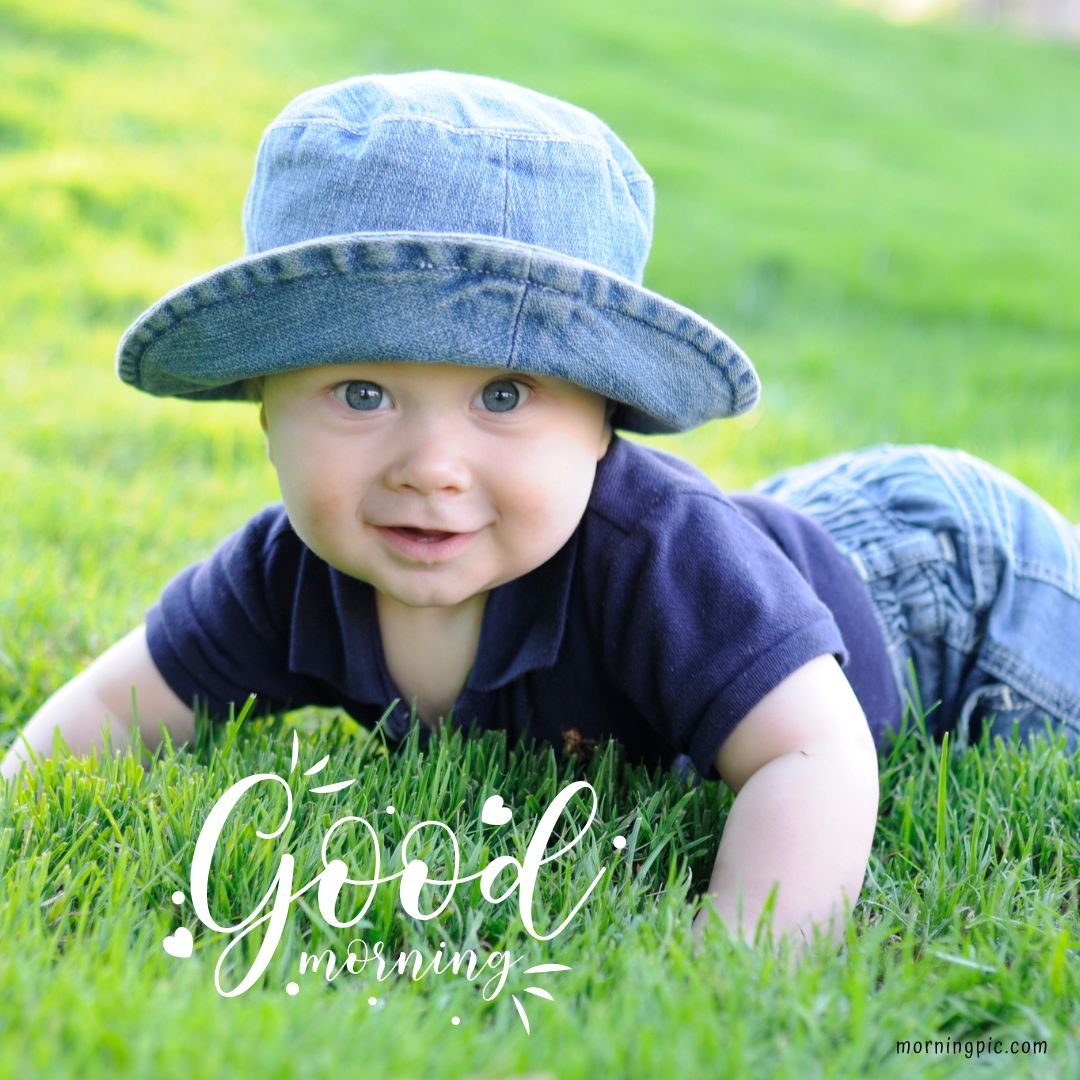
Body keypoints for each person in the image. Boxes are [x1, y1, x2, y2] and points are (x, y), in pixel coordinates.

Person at [3, 71, 1078, 952]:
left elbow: (815, 757)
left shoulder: (652, 554)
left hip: (953, 587)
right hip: (782, 550)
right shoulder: (287, 574)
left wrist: (734, 966)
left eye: (503, 397)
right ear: (263, 408)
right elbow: (115, 710)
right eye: (362, 395)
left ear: (605, 421)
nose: (431, 466)